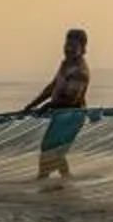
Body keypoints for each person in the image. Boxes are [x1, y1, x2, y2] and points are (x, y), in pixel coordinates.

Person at [22, 28, 92, 182]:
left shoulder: (80, 71)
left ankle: (44, 181)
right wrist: (33, 104)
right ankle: (64, 184)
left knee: (50, 151)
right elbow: (53, 86)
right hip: (61, 115)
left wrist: (48, 106)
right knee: (54, 152)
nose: (68, 49)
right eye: (67, 45)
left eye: (73, 46)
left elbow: (72, 99)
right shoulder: (65, 64)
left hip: (72, 116)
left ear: (83, 48)